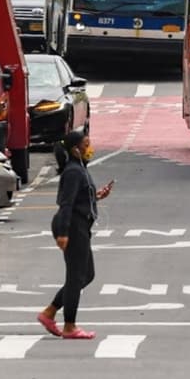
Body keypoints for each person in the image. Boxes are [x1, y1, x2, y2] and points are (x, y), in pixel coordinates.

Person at [37, 129, 112, 340]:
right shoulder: (72, 172)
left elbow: (79, 197)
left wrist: (96, 197)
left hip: (80, 226)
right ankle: (69, 326)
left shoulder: (80, 168)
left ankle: (49, 312)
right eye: (86, 145)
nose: (90, 149)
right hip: (72, 227)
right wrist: (63, 233)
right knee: (76, 277)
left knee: (87, 275)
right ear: (75, 150)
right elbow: (66, 204)